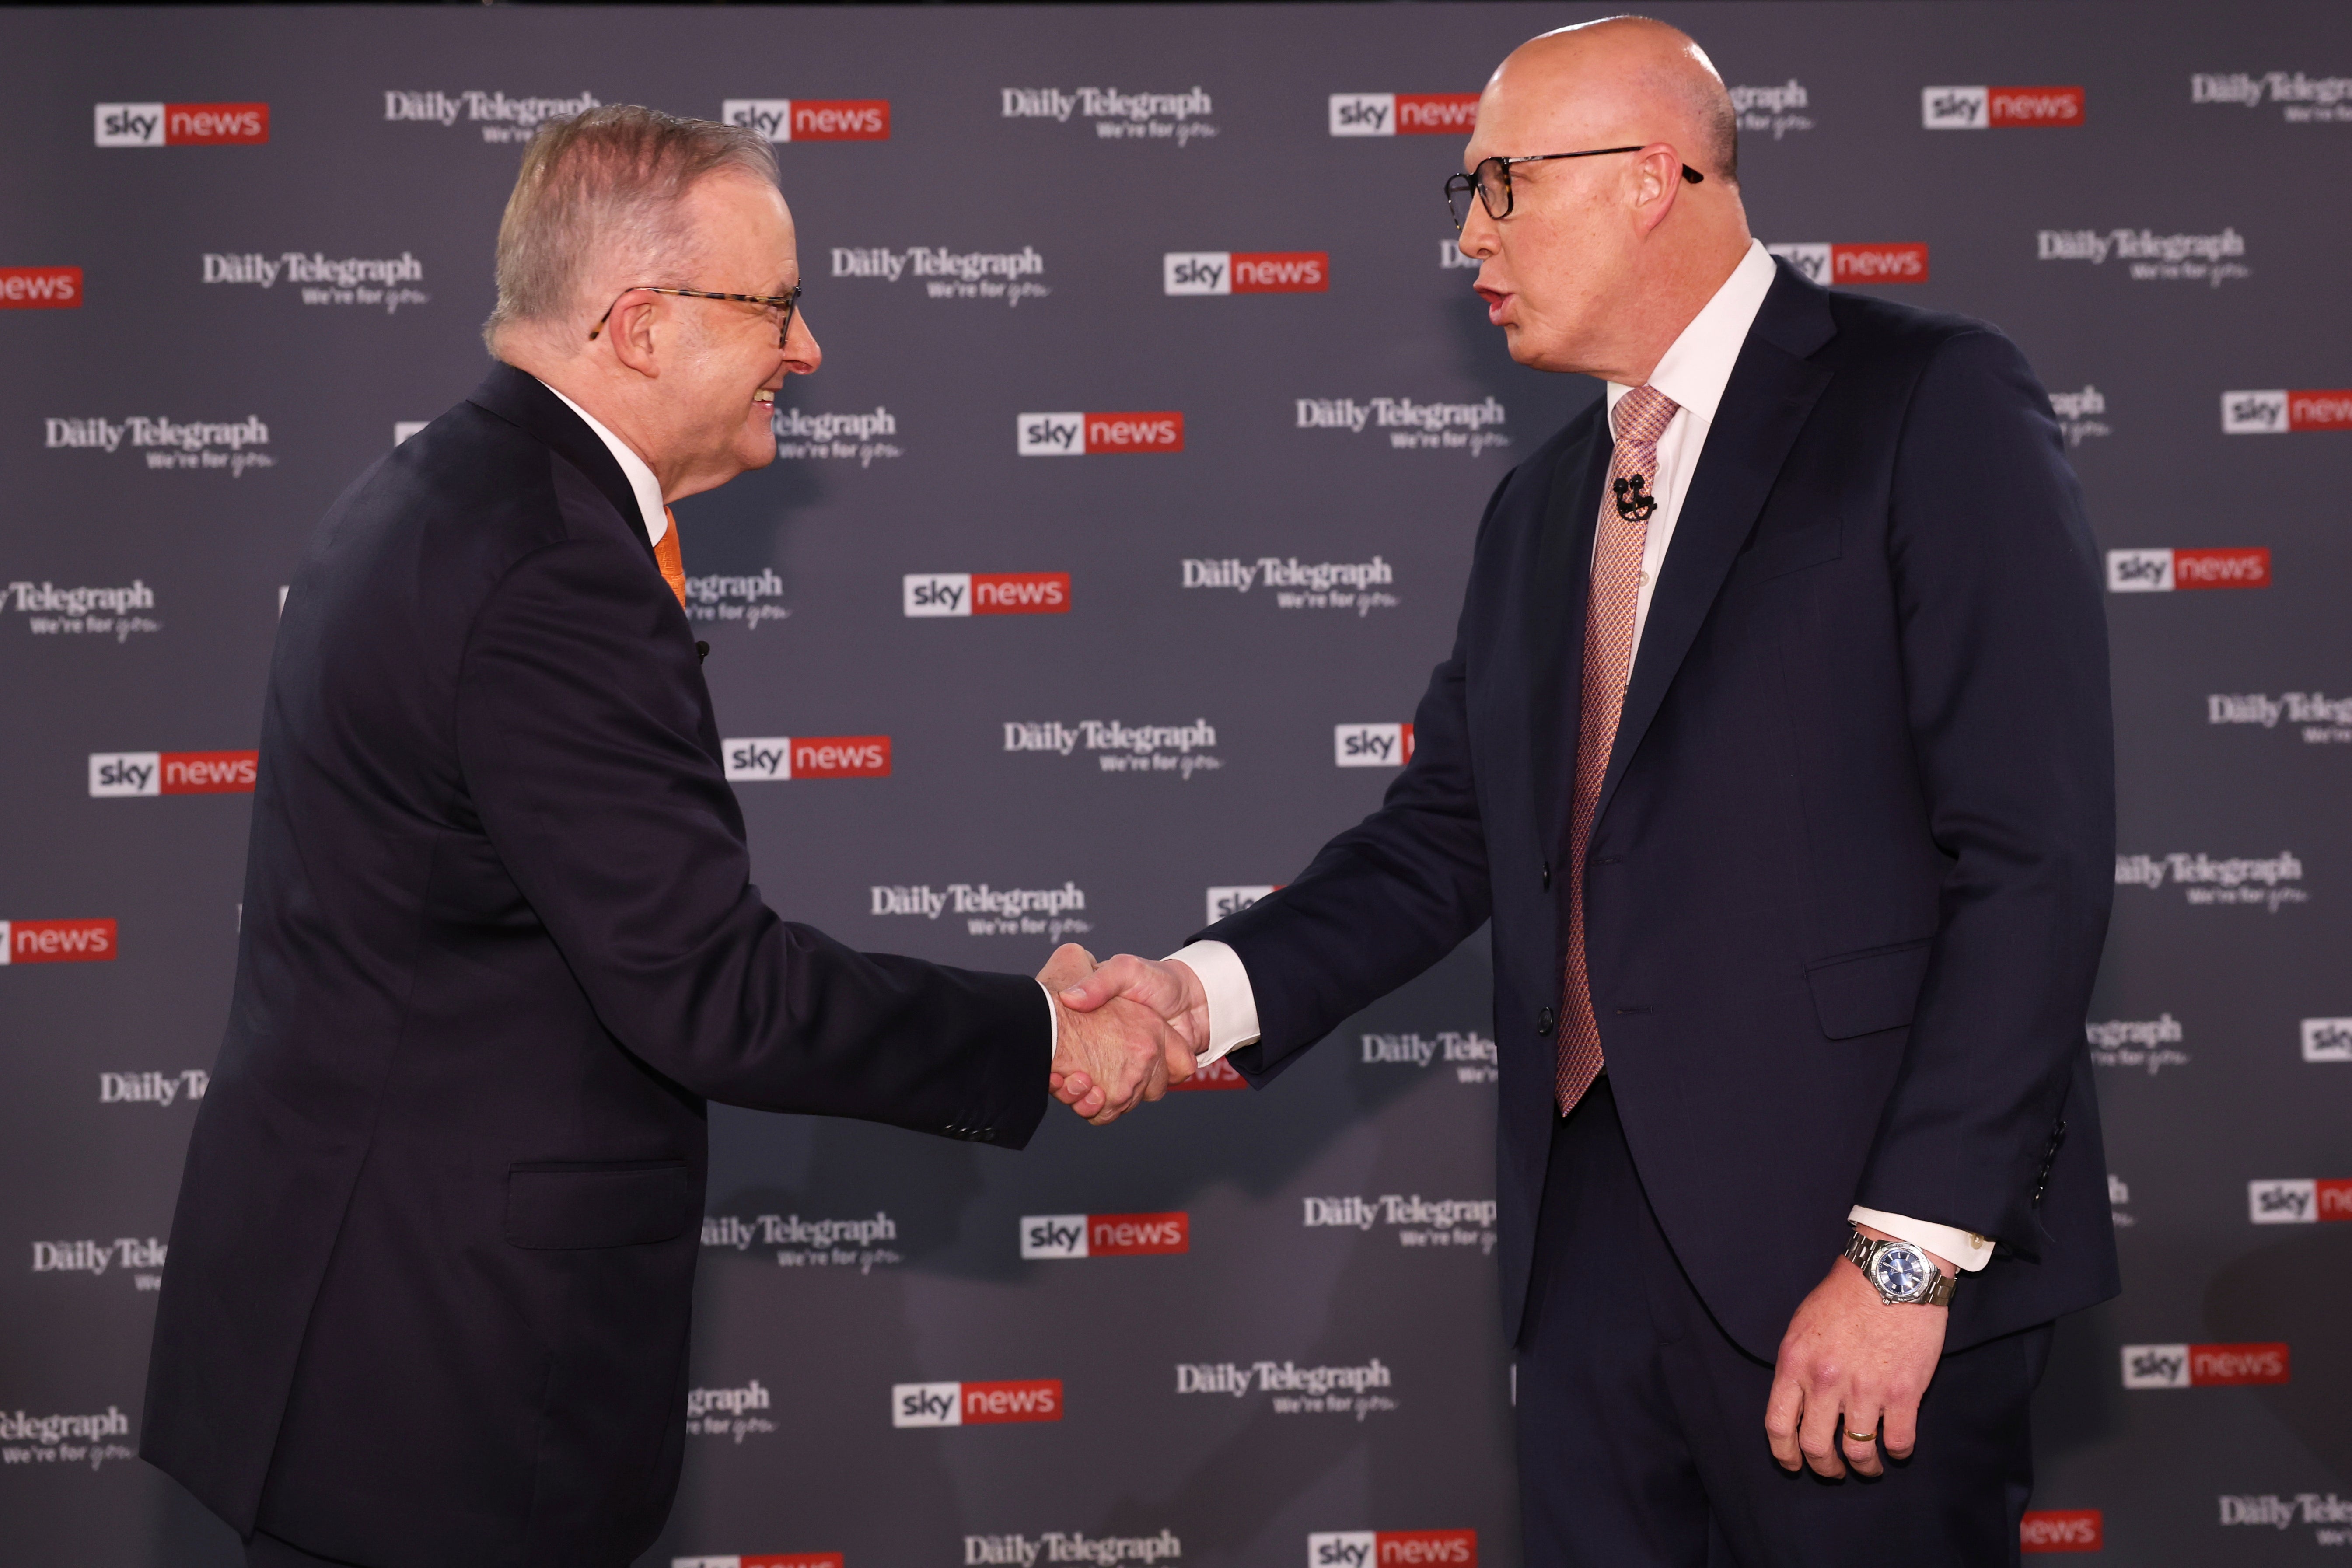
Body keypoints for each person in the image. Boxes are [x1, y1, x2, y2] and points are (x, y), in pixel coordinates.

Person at [1059, 18, 2118, 1565]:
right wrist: (1197, 995)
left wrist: (1902, 1259)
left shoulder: (1924, 401)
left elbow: (2030, 857)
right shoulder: (1540, 502)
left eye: (1499, 185)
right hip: (1588, 1269)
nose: (1469, 239)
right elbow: (1442, 839)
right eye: (1466, 194)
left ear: (1648, 176)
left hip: (1855, 1250)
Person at [141, 106, 1185, 1568]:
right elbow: (712, 990)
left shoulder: (441, 493)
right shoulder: (551, 566)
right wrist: (1044, 1032)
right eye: (775, 306)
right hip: (442, 1398)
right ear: (639, 326)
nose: (807, 349)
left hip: (361, 1343)